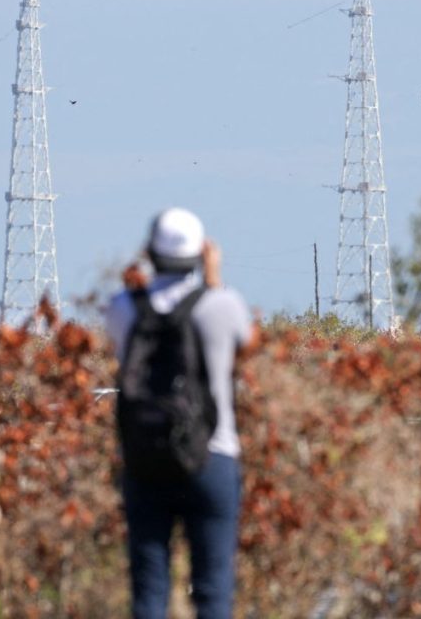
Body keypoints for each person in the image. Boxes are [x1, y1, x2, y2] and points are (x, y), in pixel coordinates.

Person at [105, 207, 251, 619]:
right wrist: (214, 280)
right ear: (202, 253)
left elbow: (117, 338)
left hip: (145, 458)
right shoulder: (222, 305)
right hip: (212, 455)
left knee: (149, 592)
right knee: (212, 591)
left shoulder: (123, 309)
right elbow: (245, 342)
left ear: (149, 251)